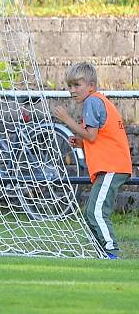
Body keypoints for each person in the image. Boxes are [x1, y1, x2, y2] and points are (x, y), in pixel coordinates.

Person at [52, 62, 133, 259]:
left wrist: (67, 120)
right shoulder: (96, 101)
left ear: (91, 85)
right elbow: (97, 138)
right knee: (91, 212)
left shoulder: (92, 102)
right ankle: (104, 254)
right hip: (111, 165)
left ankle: (111, 253)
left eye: (77, 85)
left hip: (112, 166)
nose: (72, 90)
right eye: (70, 86)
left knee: (96, 212)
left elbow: (92, 136)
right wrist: (82, 143)